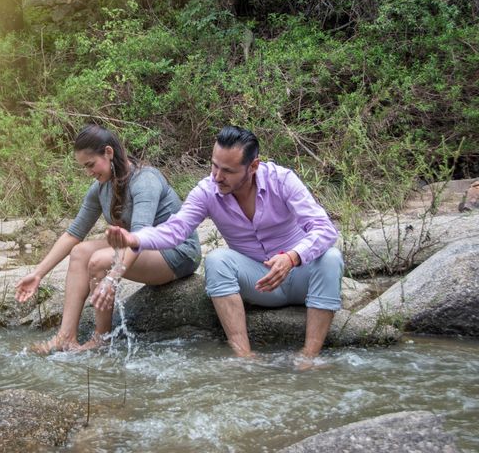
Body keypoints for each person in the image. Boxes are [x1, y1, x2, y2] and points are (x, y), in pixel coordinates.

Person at [106, 126, 343, 360]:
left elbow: (325, 229)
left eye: (228, 170)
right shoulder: (208, 190)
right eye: (214, 165)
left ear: (253, 166)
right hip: (259, 281)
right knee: (217, 260)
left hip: (301, 275)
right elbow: (176, 230)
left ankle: (309, 357)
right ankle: (245, 357)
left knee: (331, 258)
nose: (217, 176)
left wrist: (292, 257)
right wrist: (134, 238)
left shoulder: (281, 180)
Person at [14, 124, 200, 353]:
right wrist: (38, 274)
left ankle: (101, 340)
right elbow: (73, 234)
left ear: (109, 153)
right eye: (84, 167)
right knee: (80, 252)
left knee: (99, 260)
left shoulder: (145, 180)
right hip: (140, 247)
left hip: (177, 252)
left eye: (91, 165)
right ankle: (65, 337)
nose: (88, 172)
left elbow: (139, 239)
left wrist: (112, 278)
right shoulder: (100, 188)